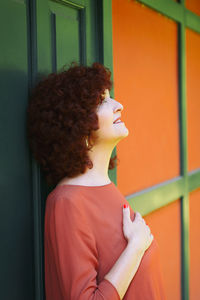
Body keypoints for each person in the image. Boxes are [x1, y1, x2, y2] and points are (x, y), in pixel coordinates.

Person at [27, 62, 166, 299]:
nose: (118, 105)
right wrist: (135, 248)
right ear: (76, 123)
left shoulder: (106, 188)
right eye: (102, 101)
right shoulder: (67, 203)